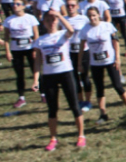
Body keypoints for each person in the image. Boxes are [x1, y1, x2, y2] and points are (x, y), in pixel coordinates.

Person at [32, 10, 86, 151]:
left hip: (66, 73)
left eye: (53, 20)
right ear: (44, 22)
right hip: (49, 76)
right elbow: (38, 62)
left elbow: (71, 30)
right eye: (48, 20)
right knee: (52, 108)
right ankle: (53, 138)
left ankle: (81, 135)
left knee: (74, 105)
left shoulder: (63, 34)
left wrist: (59, 15)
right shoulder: (40, 41)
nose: (51, 23)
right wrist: (36, 80)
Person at [79, 6, 126, 123]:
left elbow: (116, 42)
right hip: (95, 63)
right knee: (99, 88)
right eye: (89, 16)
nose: (92, 18)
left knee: (117, 85)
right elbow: (81, 47)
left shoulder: (107, 26)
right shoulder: (85, 29)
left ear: (98, 15)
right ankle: (103, 114)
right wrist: (80, 63)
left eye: (94, 15)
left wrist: (118, 58)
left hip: (110, 61)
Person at [4, 0, 40, 108]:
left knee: (35, 70)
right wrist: (8, 51)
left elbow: (36, 34)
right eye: (14, 4)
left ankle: (43, 93)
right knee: (19, 74)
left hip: (29, 47)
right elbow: (6, 37)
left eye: (18, 4)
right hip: (16, 48)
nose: (15, 6)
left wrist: (36, 48)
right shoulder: (9, 20)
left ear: (23, 6)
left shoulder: (30, 18)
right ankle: (21, 97)